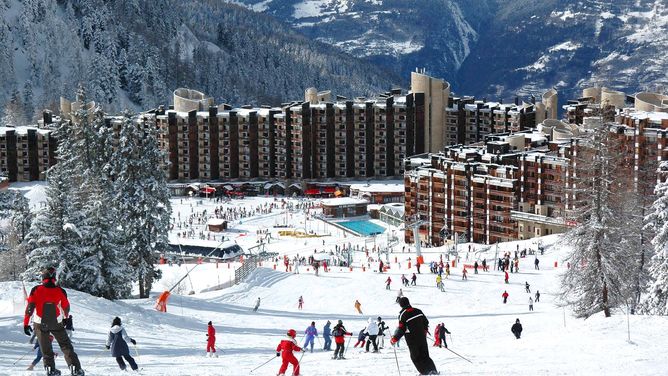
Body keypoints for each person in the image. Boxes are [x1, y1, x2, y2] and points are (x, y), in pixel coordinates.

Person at [23, 267, 84, 376]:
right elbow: (66, 306)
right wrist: (65, 318)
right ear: (54, 277)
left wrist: (26, 323)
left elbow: (30, 308)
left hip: (40, 322)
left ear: (43, 277)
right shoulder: (60, 290)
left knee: (45, 348)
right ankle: (75, 369)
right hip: (56, 322)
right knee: (66, 345)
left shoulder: (36, 289)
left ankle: (50, 370)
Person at [390, 297, 438, 375]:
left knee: (416, 357)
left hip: (412, 339)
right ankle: (433, 371)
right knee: (425, 355)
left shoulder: (403, 314)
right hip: (422, 337)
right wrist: (425, 330)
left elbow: (402, 328)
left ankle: (425, 373)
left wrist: (395, 338)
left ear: (401, 305)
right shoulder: (418, 311)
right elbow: (426, 321)